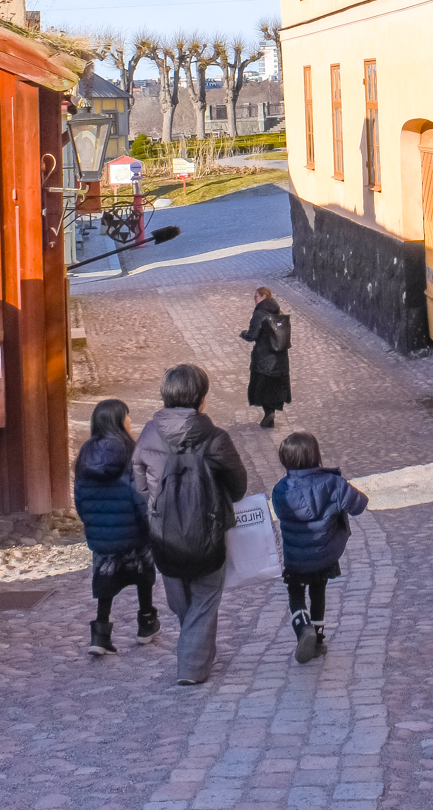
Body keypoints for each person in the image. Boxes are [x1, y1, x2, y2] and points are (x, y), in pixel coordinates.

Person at [134, 363, 249, 686]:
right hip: (208, 531)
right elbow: (238, 484)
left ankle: (195, 646)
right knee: (206, 596)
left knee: (180, 598)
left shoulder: (147, 434)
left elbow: (140, 485)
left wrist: (160, 505)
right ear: (202, 399)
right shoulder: (216, 438)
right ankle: (193, 665)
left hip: (163, 532)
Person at [270, 431, 369, 664]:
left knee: (295, 592)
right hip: (324, 554)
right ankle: (318, 640)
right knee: (318, 591)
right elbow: (359, 505)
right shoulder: (333, 484)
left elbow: (280, 513)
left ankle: (303, 629)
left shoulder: (280, 490)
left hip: (295, 556)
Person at [71, 398, 160, 655]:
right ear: (119, 421)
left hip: (102, 536)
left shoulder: (86, 455)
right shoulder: (130, 452)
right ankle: (146, 623)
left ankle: (100, 635)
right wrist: (148, 525)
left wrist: (91, 524)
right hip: (133, 533)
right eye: (128, 416)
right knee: (144, 575)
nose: (131, 420)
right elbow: (139, 495)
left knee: (105, 583)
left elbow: (79, 497)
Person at [240, 286, 291, 428]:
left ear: (263, 296)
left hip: (264, 360)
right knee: (273, 389)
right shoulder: (278, 312)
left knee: (262, 388)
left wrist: (243, 333)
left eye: (256, 297)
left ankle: (268, 413)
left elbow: (252, 335)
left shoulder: (260, 314)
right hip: (280, 360)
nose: (254, 300)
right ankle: (270, 413)